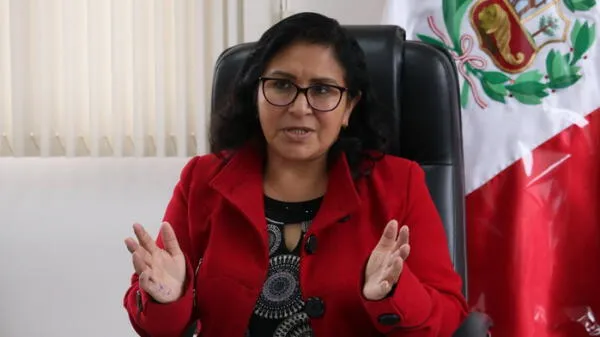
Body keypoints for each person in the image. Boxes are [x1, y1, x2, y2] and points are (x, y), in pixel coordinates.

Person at [123, 12, 468, 337]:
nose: (299, 108)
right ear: (256, 94)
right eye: (282, 85)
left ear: (348, 106)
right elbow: (157, 324)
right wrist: (168, 296)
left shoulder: (398, 183)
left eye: (322, 90)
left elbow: (450, 315)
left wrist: (396, 292)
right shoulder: (203, 179)